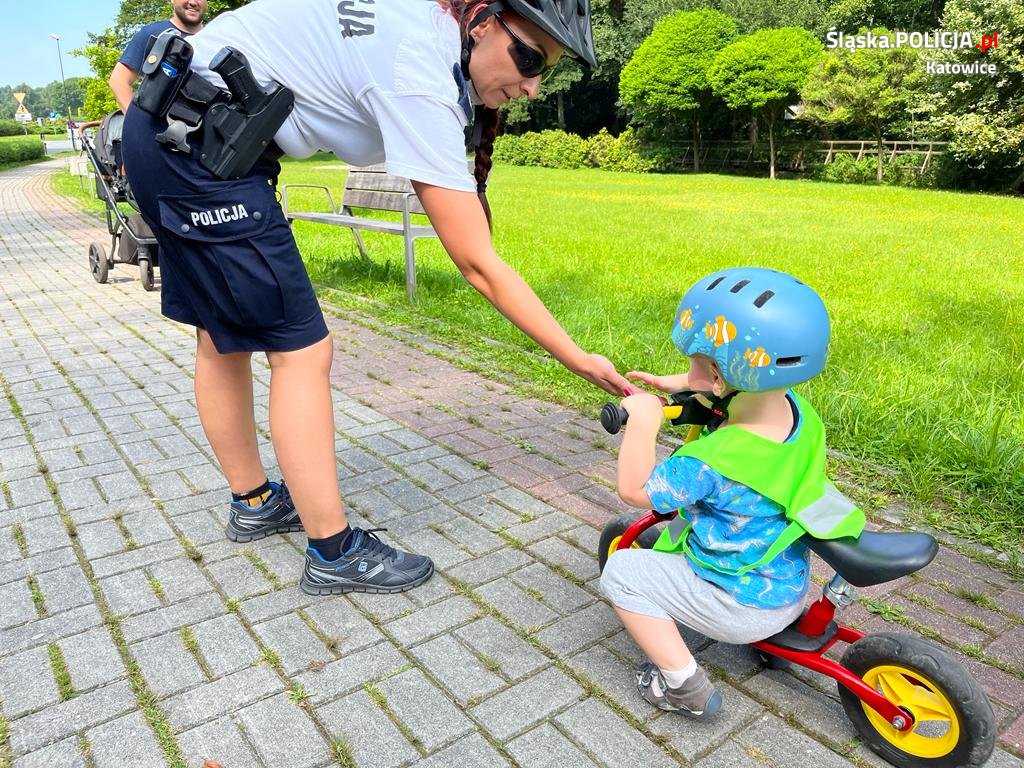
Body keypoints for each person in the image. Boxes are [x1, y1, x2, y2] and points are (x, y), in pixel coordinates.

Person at [120, 0, 628, 597]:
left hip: (176, 132)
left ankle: (256, 501)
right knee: (303, 353)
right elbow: (478, 264)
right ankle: (333, 553)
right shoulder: (418, 69)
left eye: (548, 71)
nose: (534, 86)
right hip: (201, 150)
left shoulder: (419, 24)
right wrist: (578, 359)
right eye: (529, 58)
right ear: (485, 23)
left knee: (221, 336)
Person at [600, 267, 859, 718]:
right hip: (786, 588)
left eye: (696, 361)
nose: (689, 368)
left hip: (737, 607)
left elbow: (634, 489)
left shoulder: (711, 461)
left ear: (721, 376)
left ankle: (682, 686)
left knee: (621, 572)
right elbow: (727, 399)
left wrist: (642, 422)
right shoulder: (798, 414)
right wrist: (684, 384)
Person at [108, 0, 207, 113]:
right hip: (162, 127)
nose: (193, 2)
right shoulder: (153, 33)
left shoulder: (216, 39)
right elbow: (118, 80)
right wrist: (137, 121)